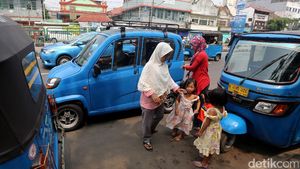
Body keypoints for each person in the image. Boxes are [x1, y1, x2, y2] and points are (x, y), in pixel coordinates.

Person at [137, 42, 180, 151]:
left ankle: (150, 129)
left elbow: (168, 78)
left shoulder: (164, 65)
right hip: (149, 100)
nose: (167, 57)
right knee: (147, 121)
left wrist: (176, 87)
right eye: (165, 55)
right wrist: (152, 94)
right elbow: (142, 83)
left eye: (168, 55)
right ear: (159, 53)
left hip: (161, 98)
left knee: (160, 115)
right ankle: (146, 139)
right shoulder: (149, 66)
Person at [192, 88, 228, 168]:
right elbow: (220, 118)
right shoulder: (222, 108)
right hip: (217, 129)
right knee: (212, 146)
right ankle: (208, 161)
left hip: (209, 130)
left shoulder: (212, 110)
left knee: (207, 146)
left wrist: (200, 132)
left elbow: (207, 123)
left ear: (214, 100)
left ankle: (203, 163)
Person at [183, 35, 210, 129]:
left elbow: (193, 67)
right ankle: (193, 122)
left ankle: (197, 124)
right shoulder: (199, 52)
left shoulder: (201, 54)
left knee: (198, 103)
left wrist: (185, 66)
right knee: (194, 102)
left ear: (199, 44)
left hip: (202, 82)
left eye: (194, 44)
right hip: (198, 80)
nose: (192, 47)